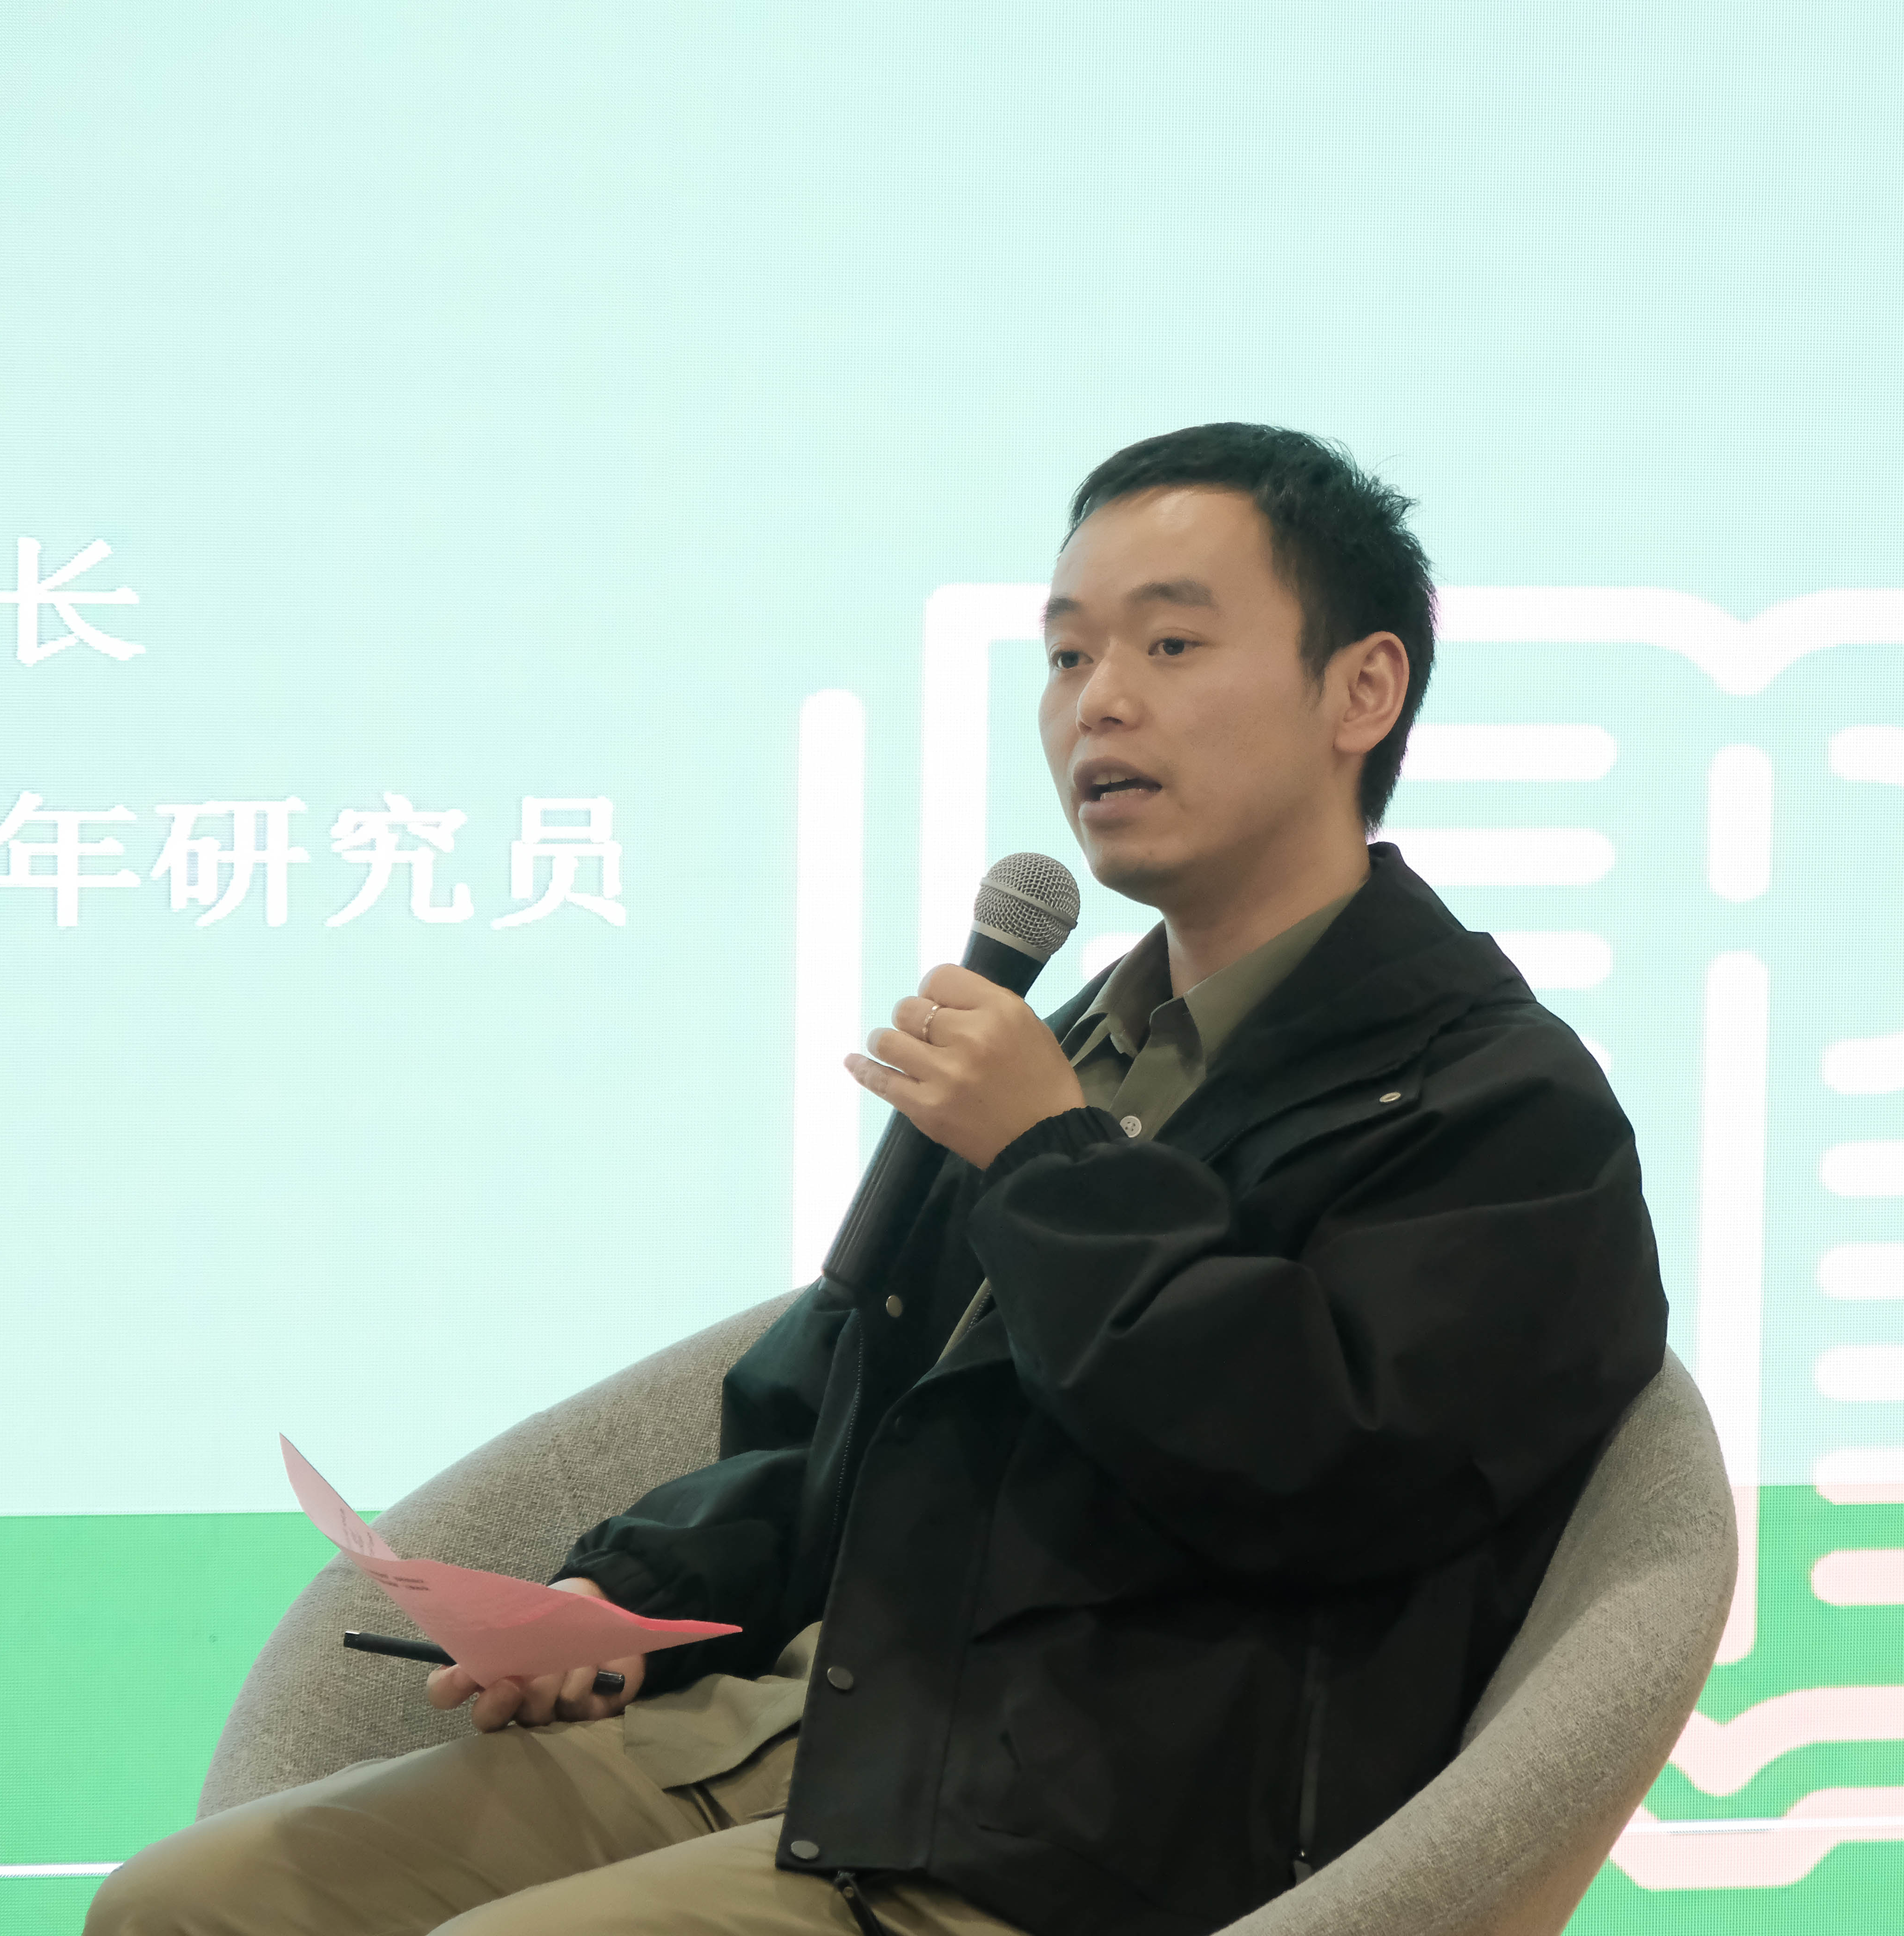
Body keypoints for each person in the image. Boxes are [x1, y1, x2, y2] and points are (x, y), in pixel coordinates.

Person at [91, 424, 1668, 1936]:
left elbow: (1322, 1471)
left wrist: (1047, 1160)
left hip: (1078, 1834)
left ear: (1363, 690)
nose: (1100, 705)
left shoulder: (1496, 1106)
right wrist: (616, 1609)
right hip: (808, 1731)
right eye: (1066, 656)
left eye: (1172, 645)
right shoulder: (1069, 1044)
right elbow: (831, 1420)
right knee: (184, 1907)